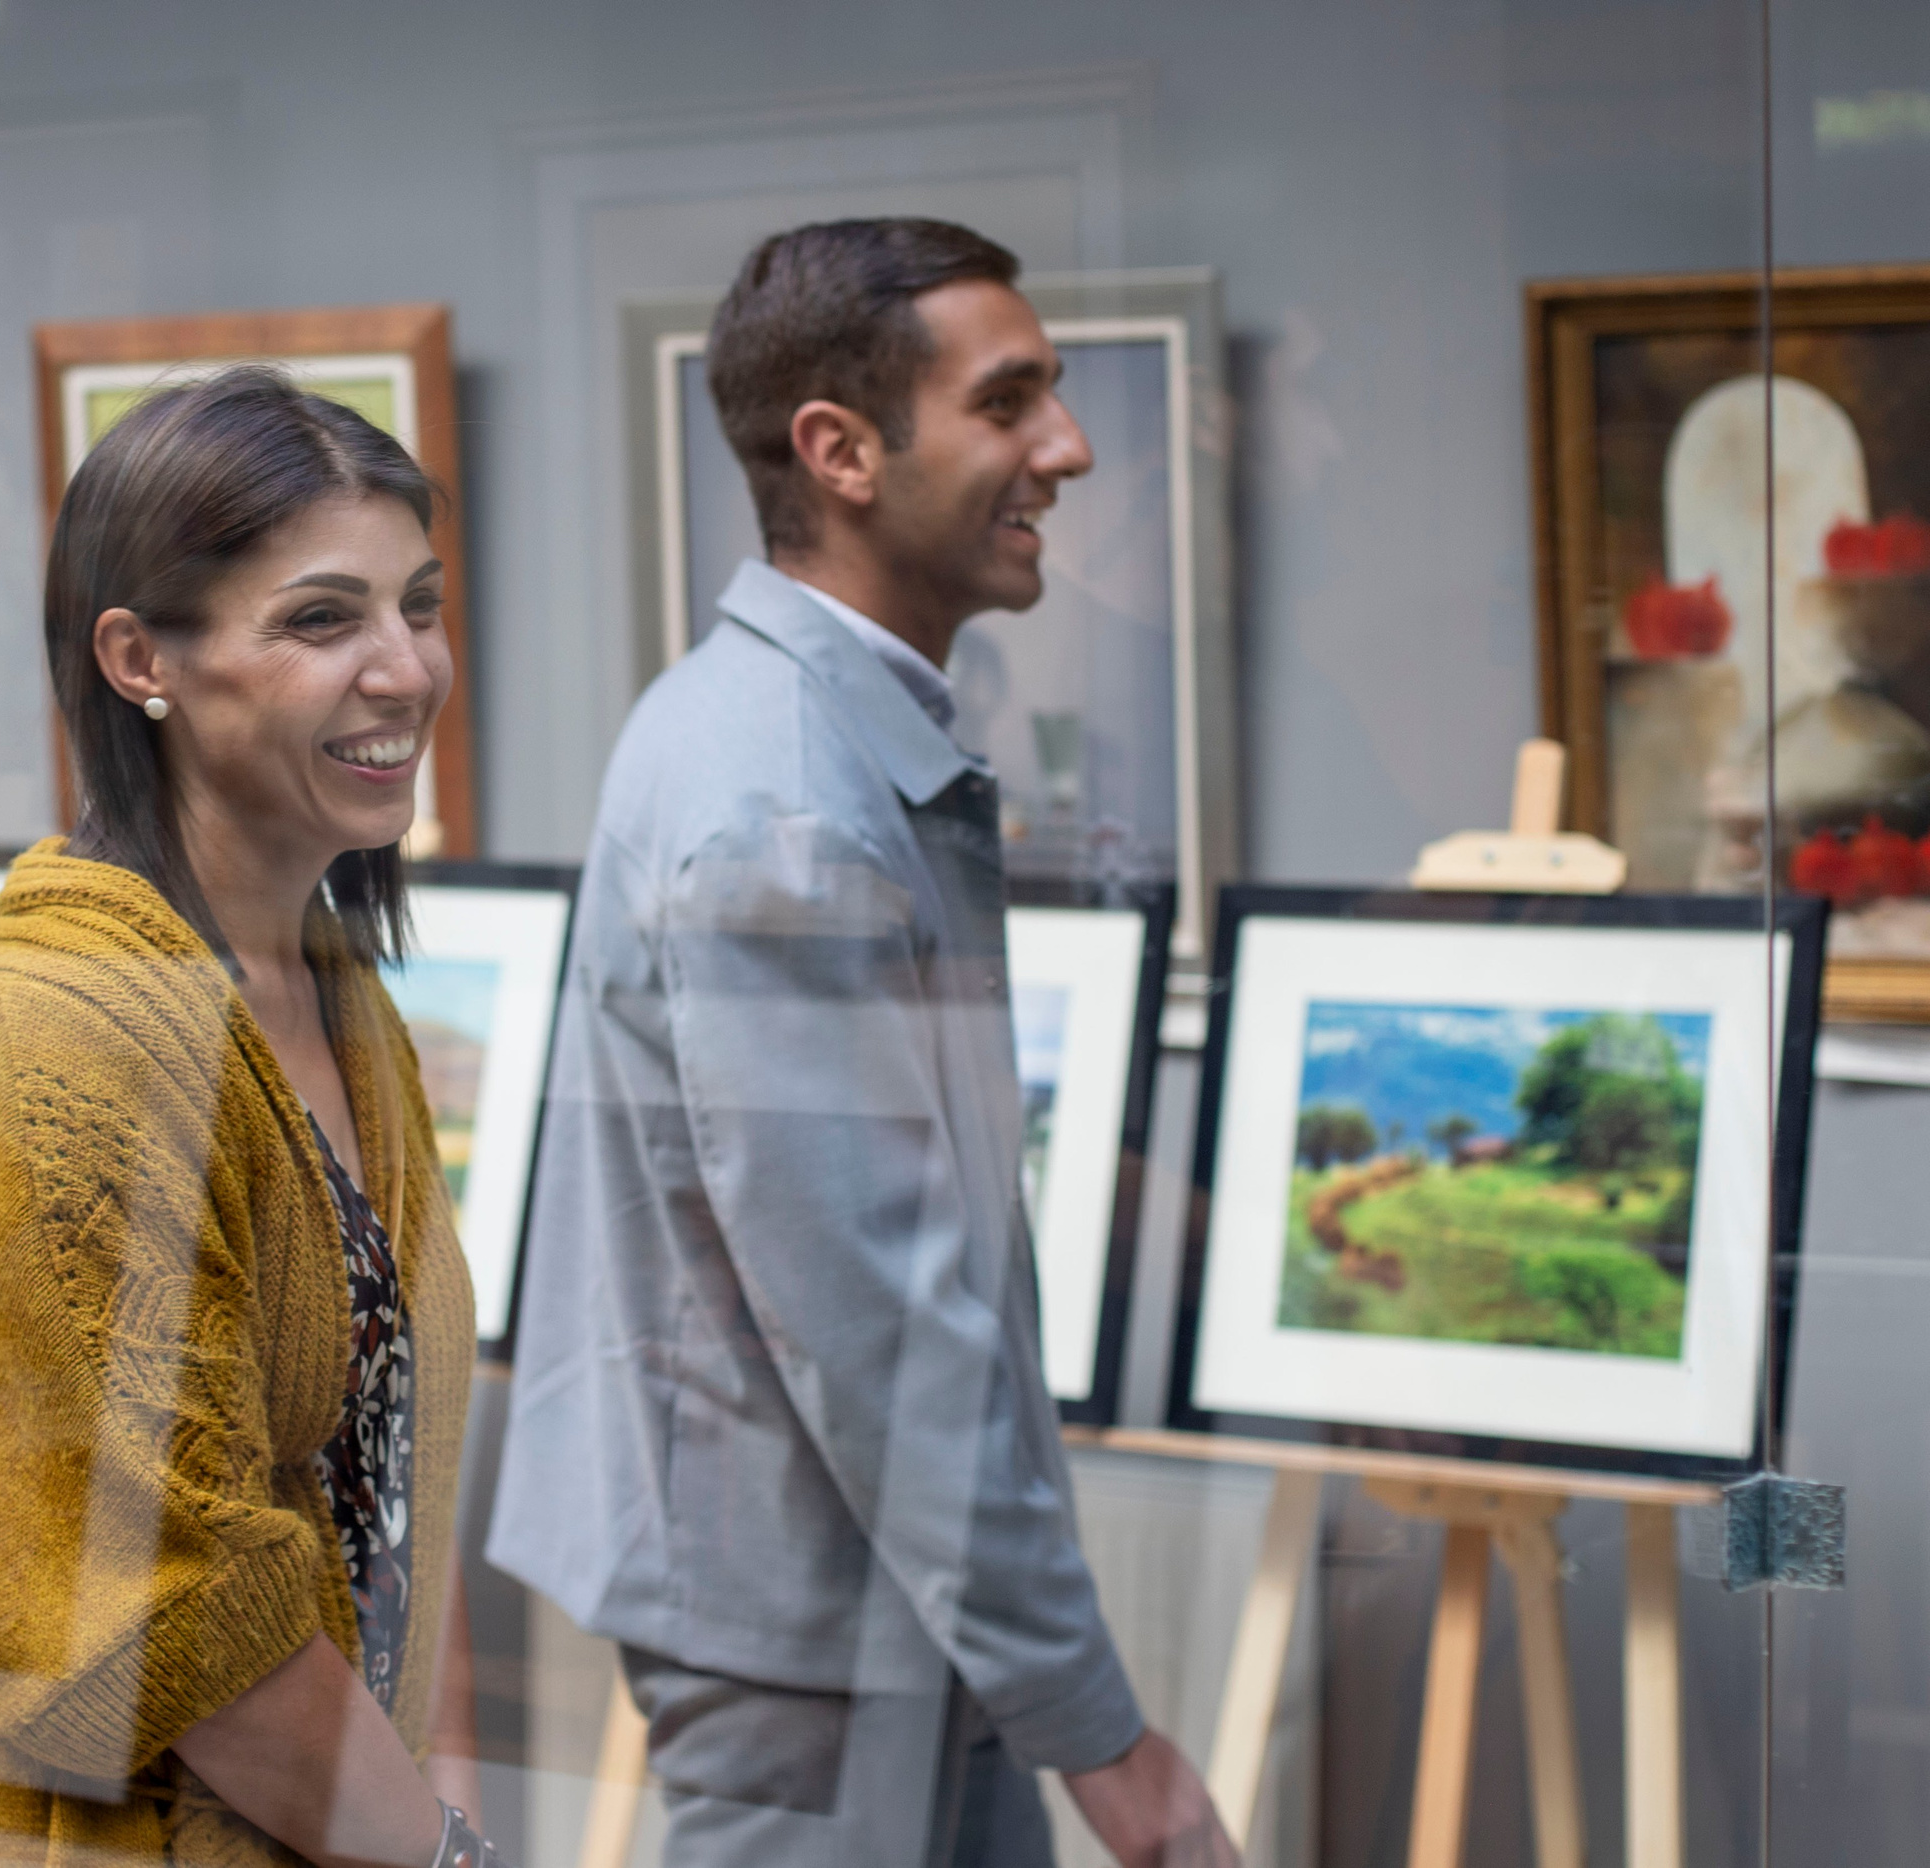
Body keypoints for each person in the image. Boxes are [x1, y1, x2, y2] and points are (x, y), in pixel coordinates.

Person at [488, 220, 1239, 1868]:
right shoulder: (785, 801)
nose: (1069, 447)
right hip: (813, 1617)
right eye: (1009, 402)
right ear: (840, 453)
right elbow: (874, 1315)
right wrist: (1103, 1736)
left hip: (850, 1593)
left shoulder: (777, 733)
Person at [0, 369, 509, 1868]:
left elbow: (400, 1477)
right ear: (140, 657)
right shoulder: (72, 1042)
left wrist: (444, 1824)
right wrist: (444, 1856)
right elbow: (185, 1616)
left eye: (419, 606)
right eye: (321, 620)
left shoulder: (335, 996)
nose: (406, 669)